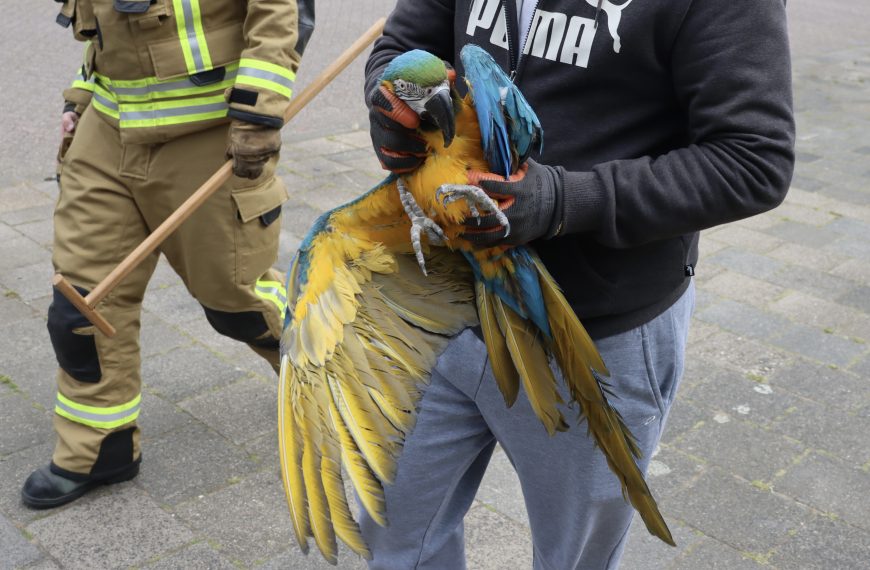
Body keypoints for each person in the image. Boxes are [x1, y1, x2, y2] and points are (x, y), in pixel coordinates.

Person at [363, 0, 794, 568]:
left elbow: (752, 160)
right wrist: (390, 104)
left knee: (575, 557)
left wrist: (566, 200)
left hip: (591, 333)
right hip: (433, 304)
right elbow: (398, 50)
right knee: (394, 536)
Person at [21, 0, 315, 509]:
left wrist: (260, 111)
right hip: (109, 129)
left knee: (236, 303)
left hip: (212, 132)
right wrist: (80, 99)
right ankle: (98, 448)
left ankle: (330, 382)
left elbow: (277, 11)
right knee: (82, 304)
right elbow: (110, 36)